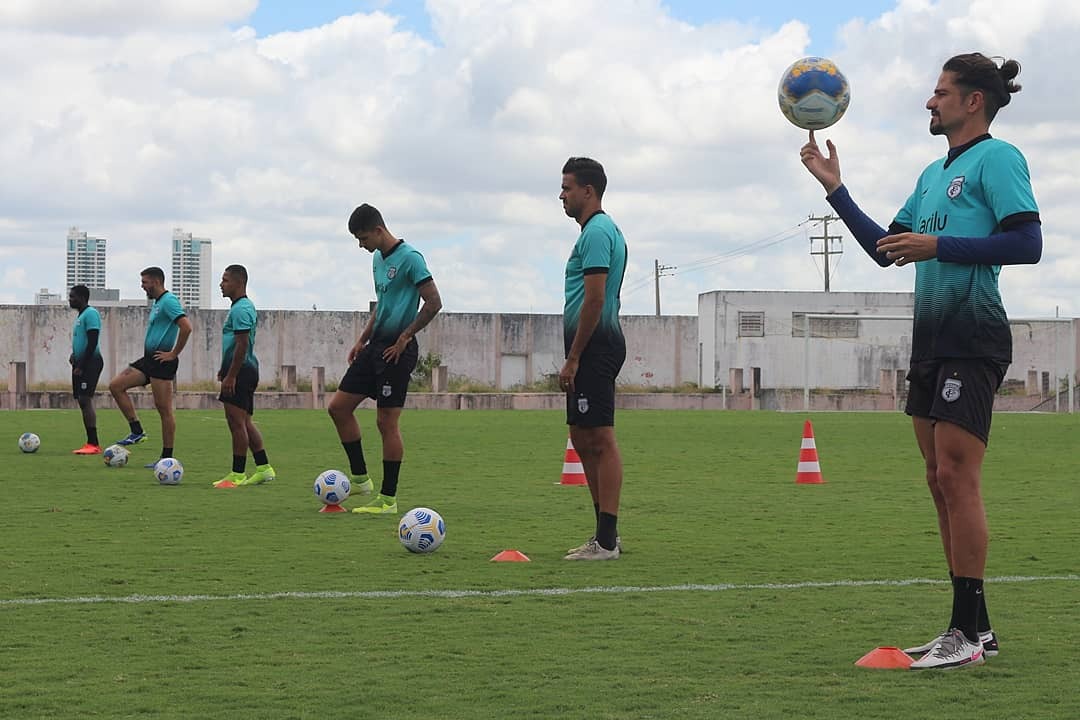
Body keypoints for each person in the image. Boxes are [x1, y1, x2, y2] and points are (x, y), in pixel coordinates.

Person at [799, 53, 1042, 669]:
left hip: (974, 336)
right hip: (931, 342)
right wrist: (835, 189)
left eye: (940, 93)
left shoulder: (999, 158)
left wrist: (941, 245)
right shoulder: (932, 173)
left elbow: (1027, 242)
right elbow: (887, 250)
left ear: (972, 102)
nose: (930, 103)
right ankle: (974, 631)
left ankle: (964, 634)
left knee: (959, 477)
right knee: (938, 481)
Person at [328, 204, 442, 515]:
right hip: (374, 347)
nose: (361, 245)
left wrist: (405, 337)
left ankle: (388, 499)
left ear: (378, 230)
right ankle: (361, 479)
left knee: (385, 423)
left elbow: (433, 302)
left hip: (397, 353)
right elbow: (383, 303)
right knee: (338, 408)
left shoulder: (411, 259)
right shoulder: (378, 259)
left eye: (363, 238)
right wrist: (362, 339)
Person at [558, 157, 628, 561]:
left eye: (567, 188)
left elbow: (596, 298)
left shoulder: (598, 231)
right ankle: (605, 535)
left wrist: (574, 357)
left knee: (600, 438)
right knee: (581, 437)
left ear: (589, 191)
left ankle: (606, 541)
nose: (562, 195)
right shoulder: (595, 232)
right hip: (590, 346)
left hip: (596, 346)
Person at [109, 267, 193, 467]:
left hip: (162, 362)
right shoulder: (157, 304)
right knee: (116, 385)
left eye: (145, 282)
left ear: (156, 281)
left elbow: (186, 327)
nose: (142, 286)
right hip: (149, 360)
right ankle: (137, 431)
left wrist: (173, 354)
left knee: (164, 410)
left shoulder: (169, 301)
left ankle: (166, 458)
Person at [213, 264, 275, 487]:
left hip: (242, 372)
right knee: (245, 422)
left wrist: (231, 376)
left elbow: (242, 344)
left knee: (236, 423)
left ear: (239, 283)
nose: (221, 284)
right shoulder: (241, 307)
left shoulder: (241, 309)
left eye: (225, 280)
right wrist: (225, 369)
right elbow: (236, 346)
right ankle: (264, 468)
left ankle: (237, 473)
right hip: (242, 369)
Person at [68, 285, 105, 454]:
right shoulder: (80, 316)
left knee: (85, 399)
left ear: (83, 298)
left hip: (90, 363)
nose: (70, 299)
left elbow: (92, 342)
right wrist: (74, 355)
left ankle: (93, 443)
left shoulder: (91, 314)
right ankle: (91, 442)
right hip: (81, 362)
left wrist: (81, 365)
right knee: (82, 401)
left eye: (73, 297)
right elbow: (82, 342)